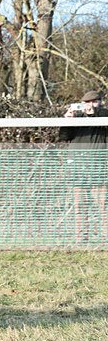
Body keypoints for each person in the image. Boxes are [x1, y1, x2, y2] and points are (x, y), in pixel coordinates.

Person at [59, 90, 108, 242]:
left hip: (100, 167)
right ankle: (81, 238)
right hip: (79, 167)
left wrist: (94, 115)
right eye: (87, 103)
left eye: (94, 102)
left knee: (103, 205)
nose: (90, 105)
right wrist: (67, 120)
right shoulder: (77, 117)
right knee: (80, 205)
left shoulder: (105, 115)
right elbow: (64, 137)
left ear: (100, 101)